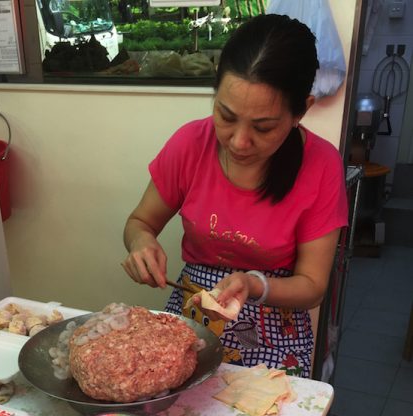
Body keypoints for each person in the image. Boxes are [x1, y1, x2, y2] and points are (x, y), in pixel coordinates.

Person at [122, 13, 348, 377]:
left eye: (263, 127)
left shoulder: (321, 165)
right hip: (193, 312)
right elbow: (139, 221)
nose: (239, 142)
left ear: (300, 111)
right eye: (226, 116)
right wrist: (141, 243)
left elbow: (312, 286)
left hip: (276, 322)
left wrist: (254, 284)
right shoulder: (190, 143)